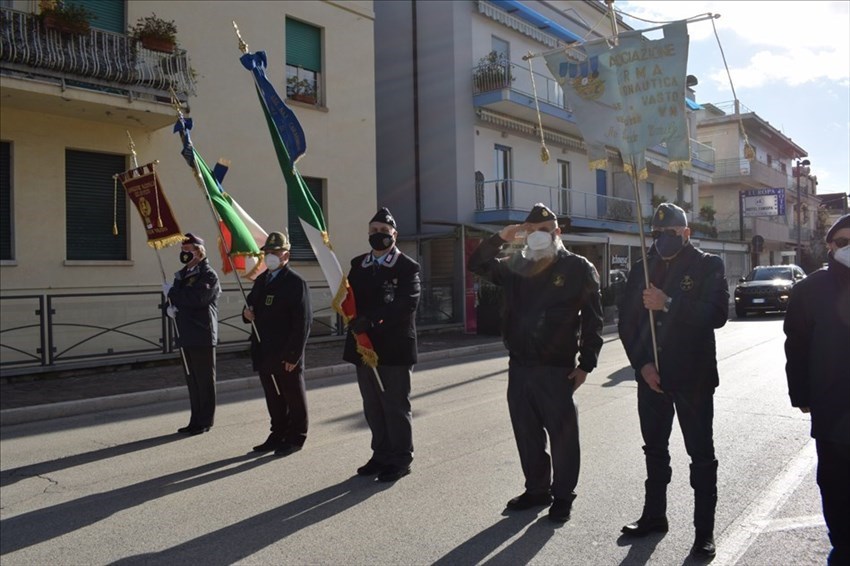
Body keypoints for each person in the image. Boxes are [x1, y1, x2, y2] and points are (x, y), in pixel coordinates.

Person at [467, 203, 604, 523]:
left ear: (557, 232)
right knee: (526, 433)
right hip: (520, 365)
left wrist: (587, 364)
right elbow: (477, 262)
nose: (538, 236)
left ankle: (563, 495)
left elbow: (593, 321)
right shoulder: (516, 264)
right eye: (532, 230)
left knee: (563, 436)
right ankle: (536, 489)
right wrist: (501, 237)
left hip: (557, 368)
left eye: (544, 230)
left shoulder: (579, 267)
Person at [617, 203, 728, 558]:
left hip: (692, 377)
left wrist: (668, 303)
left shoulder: (707, 265)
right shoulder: (641, 269)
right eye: (658, 234)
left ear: (686, 232)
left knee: (700, 455)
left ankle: (703, 532)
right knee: (654, 450)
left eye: (671, 233)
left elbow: (716, 314)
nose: (664, 239)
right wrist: (643, 365)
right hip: (652, 378)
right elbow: (628, 324)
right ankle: (654, 515)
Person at [784, 213, 850, 566]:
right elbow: (796, 346)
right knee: (835, 484)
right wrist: (802, 396)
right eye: (843, 242)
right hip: (832, 407)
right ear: (829, 246)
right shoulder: (810, 289)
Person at [344, 207, 421, 482]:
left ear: (394, 234)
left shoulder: (407, 267)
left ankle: (401, 458)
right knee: (373, 404)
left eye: (384, 231)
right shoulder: (358, 265)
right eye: (374, 231)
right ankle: (381, 454)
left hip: (393, 347)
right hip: (364, 345)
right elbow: (349, 298)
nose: (379, 235)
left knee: (395, 404)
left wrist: (372, 321)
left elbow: (406, 304)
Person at [243, 231, 312, 457]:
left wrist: (294, 355)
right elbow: (251, 305)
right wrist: (246, 313)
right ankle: (278, 433)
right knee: (273, 395)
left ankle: (296, 436)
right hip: (264, 349)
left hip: (285, 351)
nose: (270, 256)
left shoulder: (295, 282)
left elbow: (302, 322)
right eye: (268, 252)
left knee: (293, 395)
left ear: (286, 255)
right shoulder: (262, 279)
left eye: (275, 252)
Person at [163, 232, 221, 436]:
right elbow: (175, 300)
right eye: (182, 251)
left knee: (204, 380)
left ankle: (205, 420)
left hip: (202, 333)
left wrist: (173, 294)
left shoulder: (208, 274)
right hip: (185, 332)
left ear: (199, 251)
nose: (184, 254)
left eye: (188, 250)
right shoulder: (181, 275)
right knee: (192, 380)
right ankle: (194, 419)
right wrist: (168, 309)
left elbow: (199, 298)